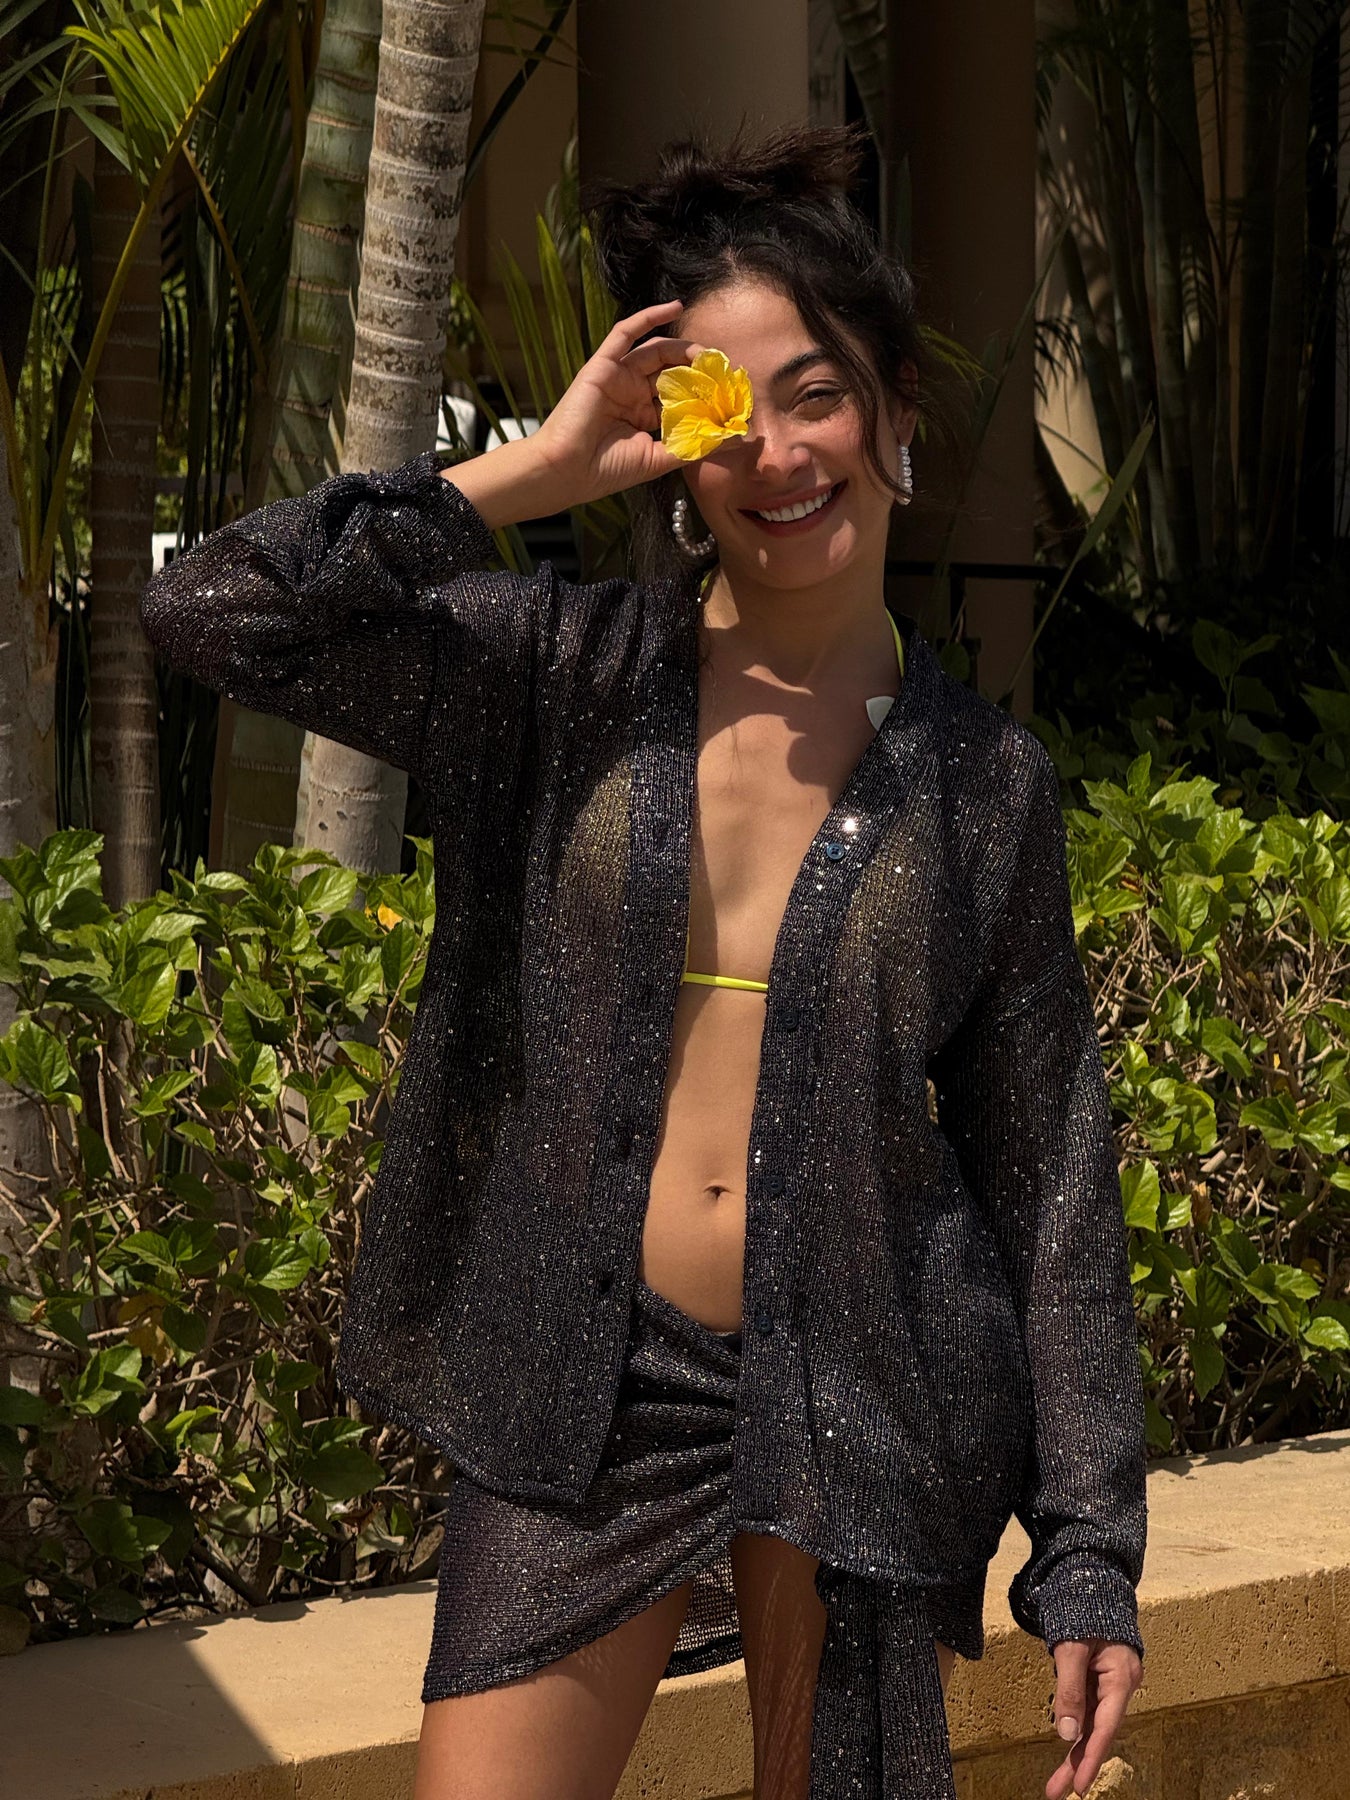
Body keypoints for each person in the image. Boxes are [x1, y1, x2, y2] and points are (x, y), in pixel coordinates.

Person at [138, 121, 1147, 1800]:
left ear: (895, 409)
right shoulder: (555, 672)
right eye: (718, 413)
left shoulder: (985, 784)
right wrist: (532, 472)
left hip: (864, 1376)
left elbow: (1045, 1169)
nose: (776, 453)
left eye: (816, 396)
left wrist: (1089, 1551)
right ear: (669, 450)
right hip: (585, 1380)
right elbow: (212, 612)